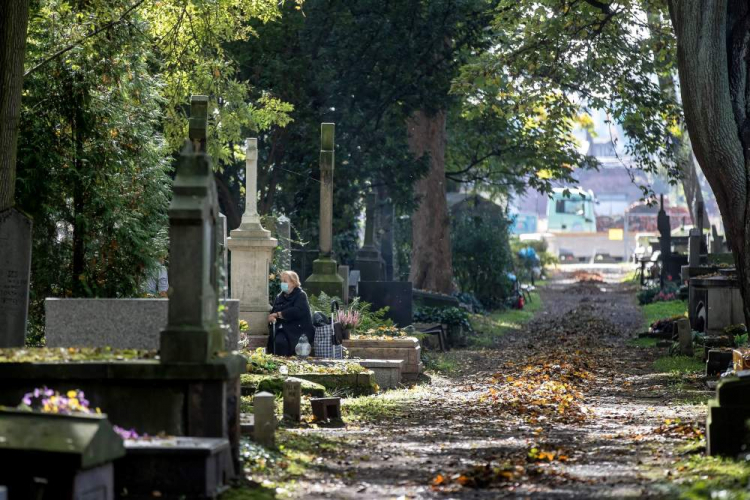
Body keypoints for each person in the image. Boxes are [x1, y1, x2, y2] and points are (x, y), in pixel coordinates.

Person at [267, 270, 315, 356]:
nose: (282, 284)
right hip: (282, 329)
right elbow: (273, 312)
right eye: (282, 281)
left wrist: (278, 314)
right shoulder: (279, 297)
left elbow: (297, 311)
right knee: (277, 341)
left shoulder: (300, 295)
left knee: (282, 342)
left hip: (297, 329)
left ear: (293, 283)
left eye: (285, 281)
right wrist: (271, 318)